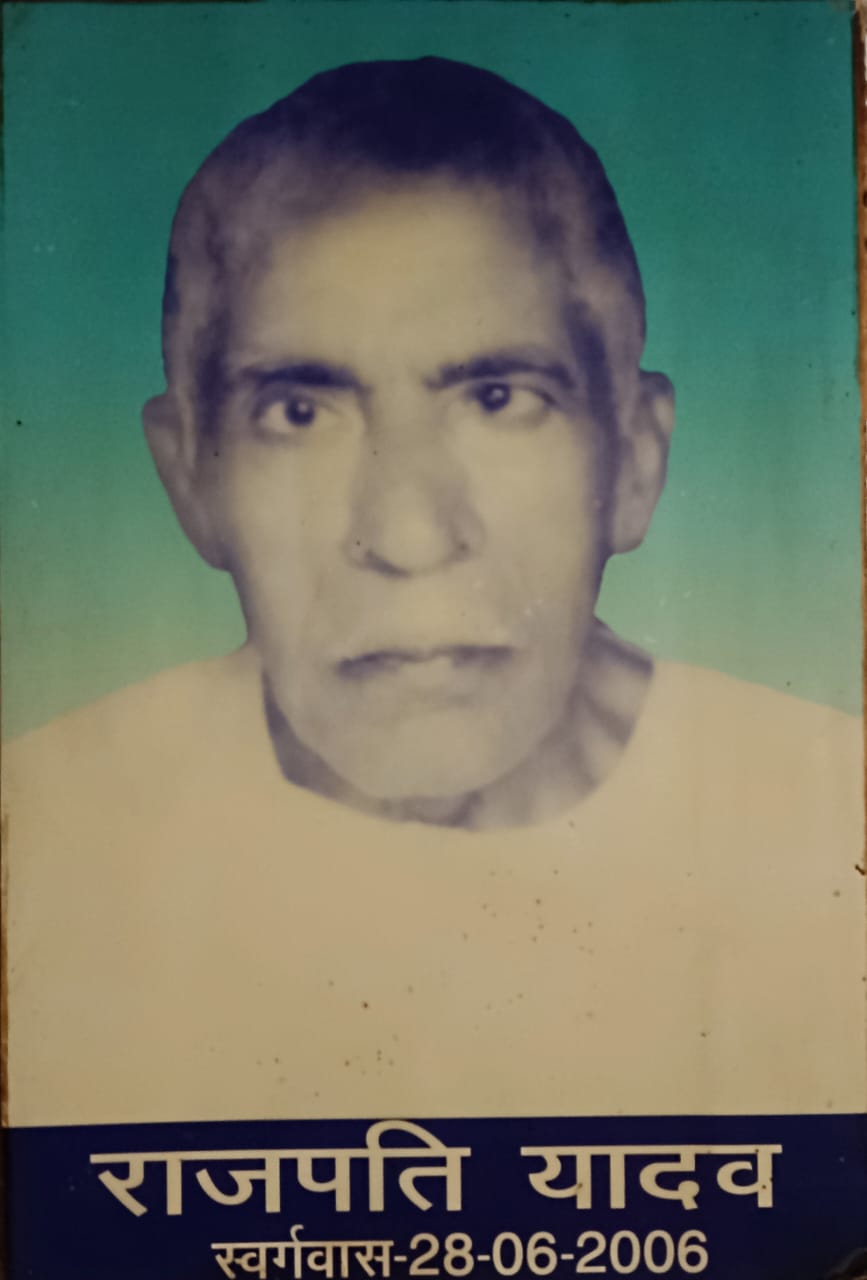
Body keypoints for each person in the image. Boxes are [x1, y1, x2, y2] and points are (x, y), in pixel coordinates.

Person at [5, 58, 864, 1128]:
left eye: (499, 397)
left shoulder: (833, 830)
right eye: (300, 415)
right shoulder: (40, 839)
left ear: (636, 460)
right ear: (190, 479)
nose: (409, 535)